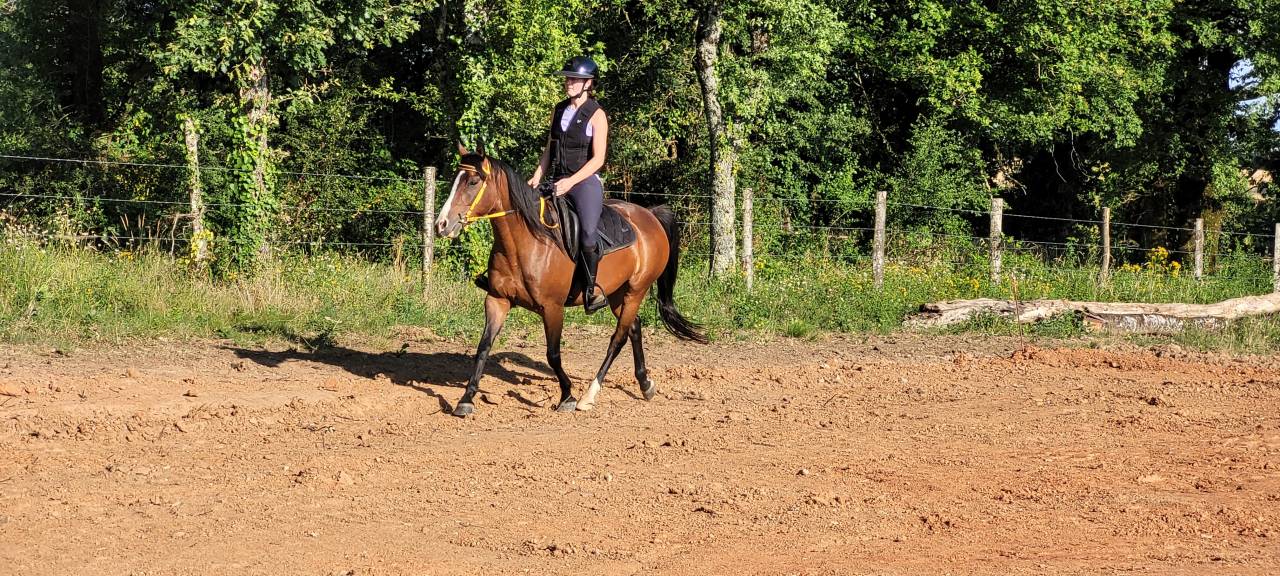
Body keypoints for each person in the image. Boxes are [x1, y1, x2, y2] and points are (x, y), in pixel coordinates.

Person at [527, 55, 610, 314]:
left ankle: (591, 289)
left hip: (584, 182)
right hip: (556, 180)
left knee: (587, 233)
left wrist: (570, 182)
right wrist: (537, 176)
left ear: (588, 83)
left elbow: (598, 159)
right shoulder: (559, 109)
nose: (568, 82)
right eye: (568, 78)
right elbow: (549, 150)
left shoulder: (597, 114)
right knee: (521, 212)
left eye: (574, 79)